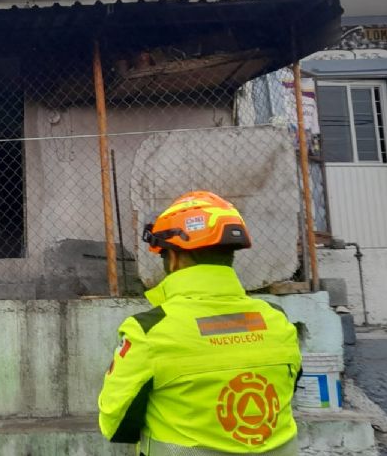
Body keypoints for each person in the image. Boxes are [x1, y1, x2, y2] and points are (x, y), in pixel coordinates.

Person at [98, 191, 302, 455]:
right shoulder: (277, 321)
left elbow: (114, 421)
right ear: (230, 254)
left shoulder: (149, 331)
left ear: (172, 258)